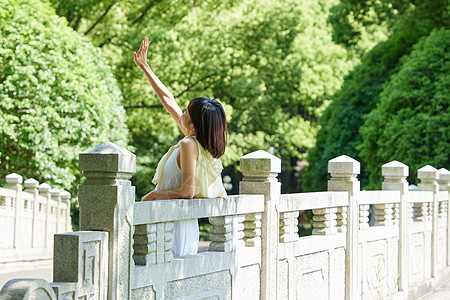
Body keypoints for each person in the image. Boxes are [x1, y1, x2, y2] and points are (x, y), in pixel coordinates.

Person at [133, 37, 227, 257]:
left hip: (175, 224)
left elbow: (187, 192)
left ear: (194, 125)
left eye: (186, 111)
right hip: (180, 222)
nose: (181, 112)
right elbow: (168, 99)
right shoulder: (196, 143)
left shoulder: (188, 144)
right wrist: (145, 67)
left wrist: (154, 195)